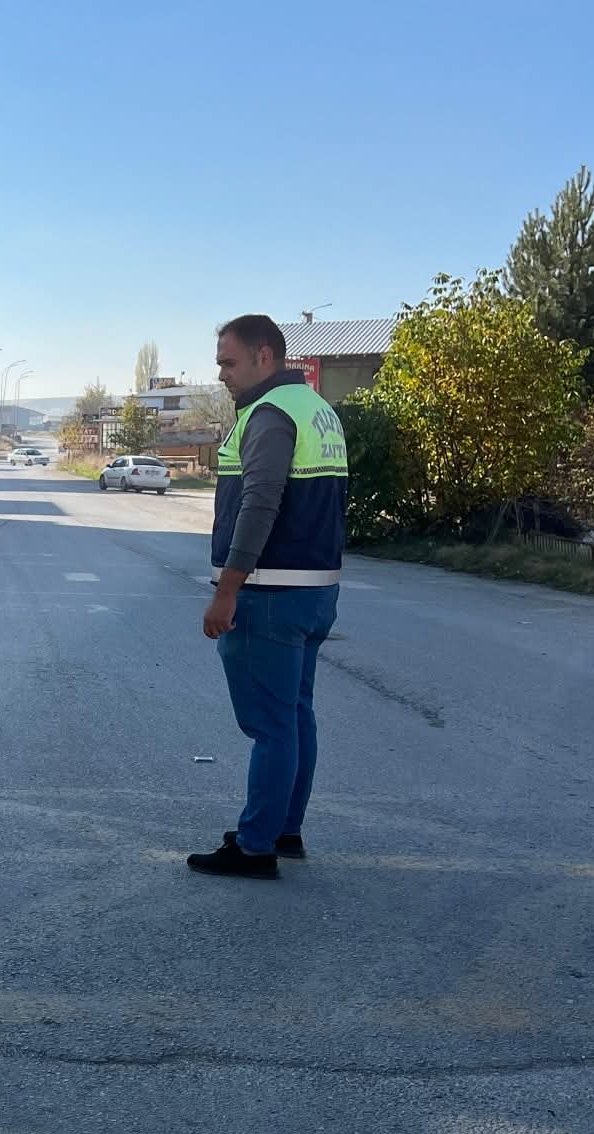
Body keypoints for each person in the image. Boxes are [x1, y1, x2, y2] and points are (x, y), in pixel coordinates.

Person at [189, 313, 349, 881]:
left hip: (269, 593)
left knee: (270, 725)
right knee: (295, 715)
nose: (222, 376)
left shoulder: (270, 415)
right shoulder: (317, 409)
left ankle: (256, 847)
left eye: (229, 363)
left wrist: (226, 591)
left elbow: (260, 505)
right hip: (313, 590)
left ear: (265, 356)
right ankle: (283, 828)